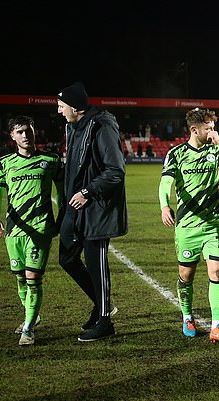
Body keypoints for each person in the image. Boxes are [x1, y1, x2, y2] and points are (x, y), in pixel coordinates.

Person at [159, 108, 219, 343]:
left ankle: (217, 325)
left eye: (213, 128)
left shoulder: (216, 151)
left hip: (214, 225)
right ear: (194, 130)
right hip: (187, 228)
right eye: (209, 128)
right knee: (186, 276)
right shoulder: (176, 154)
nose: (213, 132)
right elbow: (165, 184)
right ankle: (187, 316)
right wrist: (164, 206)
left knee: (218, 272)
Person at [57, 82, 128, 342]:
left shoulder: (102, 125)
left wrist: (88, 192)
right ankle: (101, 305)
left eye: (61, 106)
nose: (58, 111)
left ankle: (105, 321)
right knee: (66, 258)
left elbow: (115, 171)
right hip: (74, 207)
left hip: (96, 207)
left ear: (75, 107)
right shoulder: (74, 126)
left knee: (96, 263)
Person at [0, 115, 64, 346]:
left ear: (34, 132)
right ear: (12, 135)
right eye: (20, 131)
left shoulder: (50, 160)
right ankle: (32, 315)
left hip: (40, 229)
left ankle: (29, 328)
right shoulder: (4, 163)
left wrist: (60, 218)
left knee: (33, 279)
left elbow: (61, 193)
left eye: (28, 130)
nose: (25, 135)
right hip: (14, 230)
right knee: (20, 279)